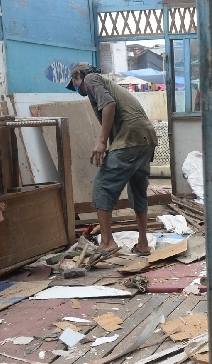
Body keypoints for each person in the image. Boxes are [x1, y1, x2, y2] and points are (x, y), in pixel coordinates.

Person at [67, 62, 158, 259]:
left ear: (78, 76)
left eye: (74, 82)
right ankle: (143, 244)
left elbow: (109, 105)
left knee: (102, 186)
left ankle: (107, 243)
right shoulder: (106, 84)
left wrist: (101, 143)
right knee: (138, 189)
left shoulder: (91, 79)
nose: (76, 87)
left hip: (131, 137)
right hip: (145, 137)